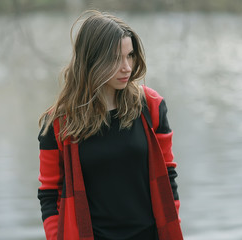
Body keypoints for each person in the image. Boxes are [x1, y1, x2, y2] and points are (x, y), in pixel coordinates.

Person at [37, 10, 183, 240]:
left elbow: (168, 175)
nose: (127, 67)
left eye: (130, 55)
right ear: (92, 59)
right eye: (116, 58)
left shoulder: (151, 107)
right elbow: (48, 194)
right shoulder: (58, 123)